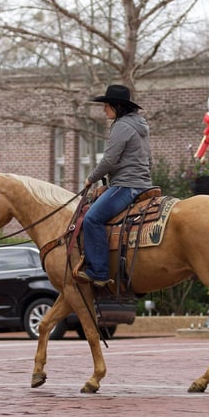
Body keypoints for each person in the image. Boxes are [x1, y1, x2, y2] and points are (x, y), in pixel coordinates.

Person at [78, 84, 153, 287]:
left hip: (126, 185)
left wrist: (91, 178)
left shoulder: (122, 126)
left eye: (107, 105)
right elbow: (148, 158)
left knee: (92, 218)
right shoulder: (140, 125)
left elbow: (109, 159)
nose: (104, 110)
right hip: (143, 183)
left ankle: (100, 273)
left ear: (117, 107)